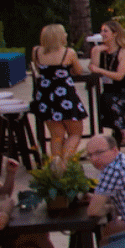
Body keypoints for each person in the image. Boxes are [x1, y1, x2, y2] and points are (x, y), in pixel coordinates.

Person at [30, 23, 88, 161]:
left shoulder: (36, 51)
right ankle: (65, 163)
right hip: (64, 96)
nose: (66, 35)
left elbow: (39, 71)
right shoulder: (69, 52)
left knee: (56, 136)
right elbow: (78, 71)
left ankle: (55, 164)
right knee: (75, 133)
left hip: (45, 96)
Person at [90, 19, 125, 147]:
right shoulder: (101, 51)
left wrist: (99, 70)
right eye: (102, 31)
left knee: (111, 101)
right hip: (110, 89)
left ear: (115, 34)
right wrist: (96, 52)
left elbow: (119, 76)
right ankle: (122, 131)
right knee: (105, 99)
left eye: (106, 31)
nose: (102, 33)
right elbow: (93, 67)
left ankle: (124, 131)